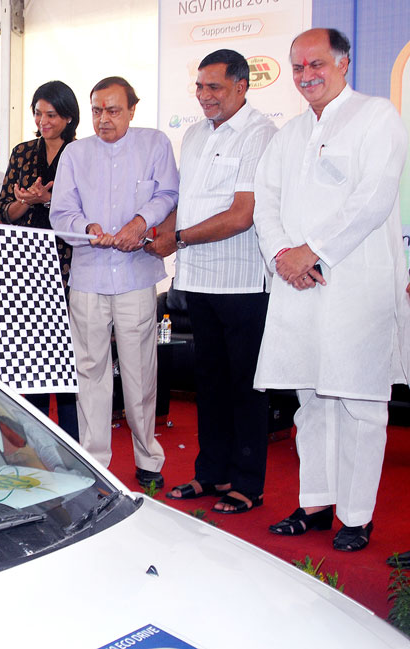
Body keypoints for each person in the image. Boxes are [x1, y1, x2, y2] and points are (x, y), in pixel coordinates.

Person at [254, 28, 409, 551]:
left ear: (344, 63)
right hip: (298, 286)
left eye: (315, 64)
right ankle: (316, 503)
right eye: (296, 67)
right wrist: (282, 255)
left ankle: (358, 516)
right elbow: (266, 205)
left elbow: (374, 199)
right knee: (311, 400)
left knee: (361, 403)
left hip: (355, 286)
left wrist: (311, 250)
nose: (305, 76)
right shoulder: (288, 133)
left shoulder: (377, 116)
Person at [147, 49, 278, 514]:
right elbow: (188, 200)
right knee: (210, 383)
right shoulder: (195, 135)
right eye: (199, 87)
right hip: (199, 279)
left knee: (246, 386)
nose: (204, 96)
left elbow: (242, 215)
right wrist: (160, 233)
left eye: (215, 87)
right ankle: (210, 474)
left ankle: (247, 483)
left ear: (242, 86)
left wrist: (176, 238)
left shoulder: (262, 134)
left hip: (243, 282)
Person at [49, 76, 178, 487]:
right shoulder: (74, 152)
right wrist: (87, 226)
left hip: (136, 273)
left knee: (141, 370)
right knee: (89, 370)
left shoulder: (154, 143)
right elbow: (61, 211)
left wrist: (140, 222)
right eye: (97, 110)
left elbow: (168, 194)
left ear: (132, 110)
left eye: (113, 110)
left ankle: (148, 460)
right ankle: (95, 463)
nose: (104, 119)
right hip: (87, 273)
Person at [0, 80, 83, 440]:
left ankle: (73, 441)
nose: (43, 120)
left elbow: (89, 208)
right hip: (25, 263)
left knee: (66, 358)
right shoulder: (22, 152)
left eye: (51, 114)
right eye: (38, 113)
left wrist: (50, 202)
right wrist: (29, 202)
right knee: (29, 358)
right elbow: (4, 210)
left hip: (71, 262)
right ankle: (33, 441)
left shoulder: (83, 153)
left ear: (68, 117)